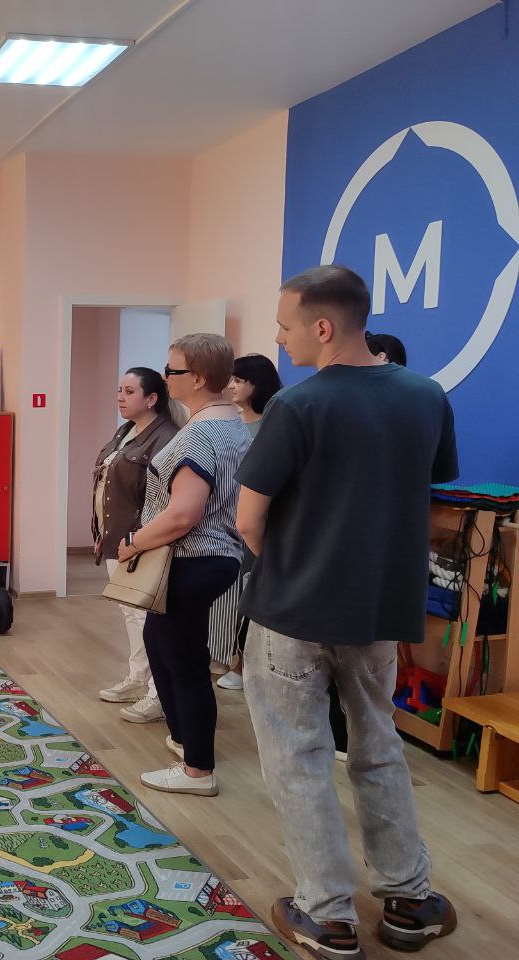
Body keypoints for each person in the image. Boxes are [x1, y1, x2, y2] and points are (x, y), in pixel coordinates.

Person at [237, 266, 458, 959]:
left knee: (298, 758)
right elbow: (430, 499)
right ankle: (410, 899)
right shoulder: (426, 396)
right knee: (379, 746)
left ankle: (327, 914)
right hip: (379, 610)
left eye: (285, 325)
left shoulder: (296, 406)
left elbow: (248, 520)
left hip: (292, 613)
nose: (280, 338)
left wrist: (297, 567)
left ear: (323, 327)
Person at [116, 333, 249, 796]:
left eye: (171, 371)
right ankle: (183, 736)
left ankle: (198, 769)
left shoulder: (201, 433)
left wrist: (133, 543)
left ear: (198, 378)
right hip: (216, 555)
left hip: (194, 556)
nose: (165, 377)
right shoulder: (234, 424)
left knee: (186, 661)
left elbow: (183, 515)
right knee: (161, 640)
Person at [92, 367, 179, 723]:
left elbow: (161, 500)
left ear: (152, 398)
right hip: (116, 538)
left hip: (140, 542)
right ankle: (138, 677)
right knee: (130, 613)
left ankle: (158, 694)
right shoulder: (126, 431)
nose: (120, 397)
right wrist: (102, 532)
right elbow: (108, 487)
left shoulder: (167, 437)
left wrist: (137, 540)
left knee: (147, 617)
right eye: (119, 390)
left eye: (129, 392)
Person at [214, 353, 283, 691]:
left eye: (239, 380)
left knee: (253, 593)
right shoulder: (230, 423)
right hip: (228, 522)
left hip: (260, 522)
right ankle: (230, 657)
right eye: (231, 379)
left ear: (259, 384)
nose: (231, 386)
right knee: (231, 595)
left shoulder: (273, 424)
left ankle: (246, 666)